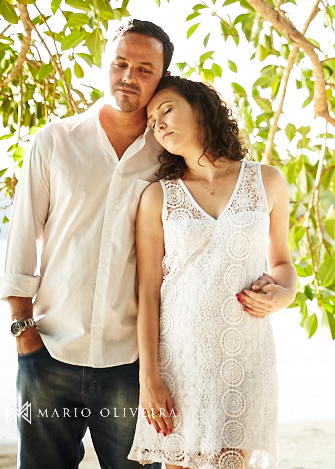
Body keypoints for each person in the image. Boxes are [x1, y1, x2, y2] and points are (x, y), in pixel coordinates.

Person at [0, 19, 174, 469]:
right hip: (49, 353)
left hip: (131, 363)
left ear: (161, 77)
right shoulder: (55, 141)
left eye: (144, 68)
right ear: (104, 64)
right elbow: (21, 239)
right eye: (119, 64)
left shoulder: (170, 156)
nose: (128, 77)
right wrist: (23, 331)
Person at [127, 76, 296, 469]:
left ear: (201, 109)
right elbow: (148, 292)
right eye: (152, 122)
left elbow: (283, 263)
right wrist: (148, 377)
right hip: (180, 358)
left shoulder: (267, 181)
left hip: (245, 354)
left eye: (166, 110)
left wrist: (284, 295)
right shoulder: (158, 197)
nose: (159, 125)